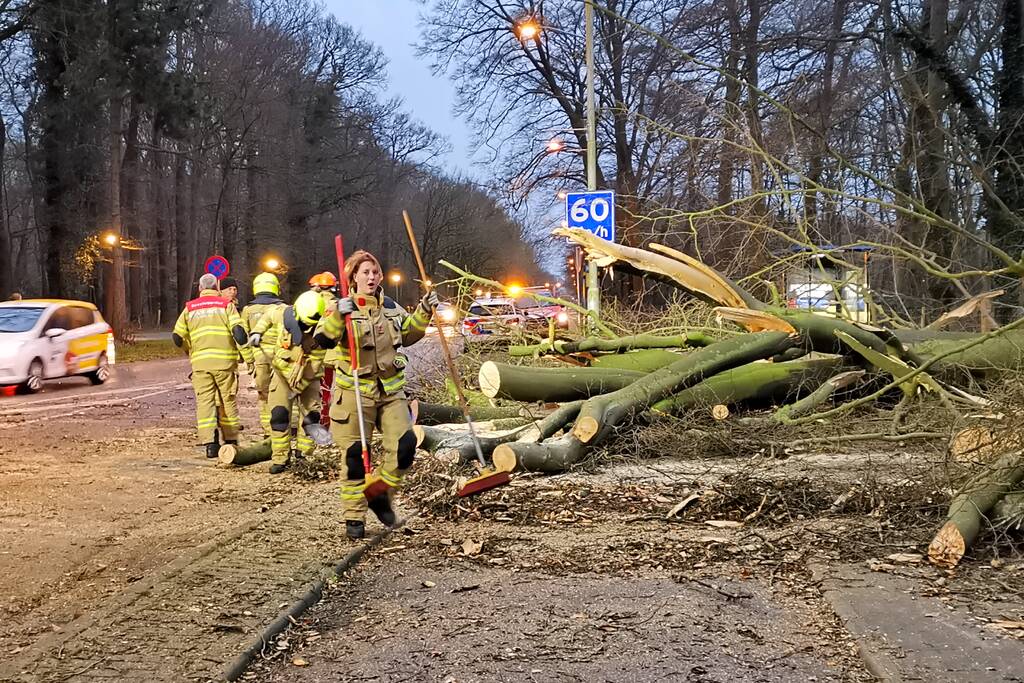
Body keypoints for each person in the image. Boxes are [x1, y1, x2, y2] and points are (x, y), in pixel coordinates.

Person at [314, 250, 437, 540]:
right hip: (354, 392)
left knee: (405, 445)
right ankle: (354, 516)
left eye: (375, 272)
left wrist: (424, 310)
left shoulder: (391, 307)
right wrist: (339, 316)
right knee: (355, 457)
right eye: (365, 272)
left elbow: (408, 334)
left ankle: (381, 494)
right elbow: (323, 339)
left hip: (390, 391)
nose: (371, 277)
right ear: (353, 277)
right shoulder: (339, 307)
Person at [172, 273, 253, 458]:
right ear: (216, 288)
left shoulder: (190, 308)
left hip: (200, 366)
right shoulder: (226, 306)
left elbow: (177, 337)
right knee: (227, 402)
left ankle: (210, 444)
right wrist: (249, 359)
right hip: (225, 364)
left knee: (205, 403)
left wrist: (188, 349)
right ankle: (231, 442)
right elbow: (239, 334)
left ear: (200, 288)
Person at [248, 290, 330, 474]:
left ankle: (305, 455)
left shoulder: (323, 331)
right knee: (279, 415)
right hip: (281, 373)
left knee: (311, 417)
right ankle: (280, 458)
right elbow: (267, 316)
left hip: (308, 378)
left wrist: (297, 387)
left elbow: (314, 366)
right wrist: (257, 331)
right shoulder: (282, 312)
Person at [240, 272, 286, 437]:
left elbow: (241, 337)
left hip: (259, 359)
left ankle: (268, 430)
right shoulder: (283, 308)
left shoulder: (247, 310)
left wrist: (248, 360)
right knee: (284, 392)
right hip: (281, 357)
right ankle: (289, 427)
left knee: (264, 394)